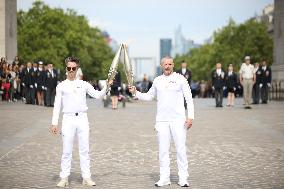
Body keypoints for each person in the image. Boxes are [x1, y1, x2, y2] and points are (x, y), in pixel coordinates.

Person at [129, 56, 194, 187]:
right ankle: (164, 178)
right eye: (165, 64)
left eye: (170, 64)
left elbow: (189, 98)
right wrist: (136, 93)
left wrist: (190, 117)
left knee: (181, 150)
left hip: (178, 120)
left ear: (173, 65)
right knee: (163, 151)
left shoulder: (180, 79)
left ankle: (183, 178)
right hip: (162, 121)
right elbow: (149, 96)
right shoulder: (157, 80)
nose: (167, 66)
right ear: (161, 66)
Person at [49, 57, 107, 187]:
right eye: (69, 68)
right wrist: (54, 123)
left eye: (73, 68)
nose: (71, 70)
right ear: (66, 69)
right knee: (66, 151)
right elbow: (57, 105)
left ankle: (86, 177)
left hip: (82, 118)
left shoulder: (84, 84)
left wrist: (107, 86)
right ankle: (64, 178)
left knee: (84, 150)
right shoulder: (61, 86)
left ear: (77, 69)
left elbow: (98, 95)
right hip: (68, 119)